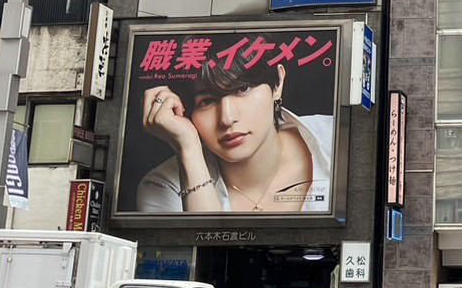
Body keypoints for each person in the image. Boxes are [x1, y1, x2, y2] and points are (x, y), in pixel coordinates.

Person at [136, 54, 334, 215]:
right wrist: (188, 149)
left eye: (242, 89)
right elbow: (204, 249)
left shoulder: (336, 139)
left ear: (278, 83)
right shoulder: (163, 187)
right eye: (207, 101)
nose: (227, 118)